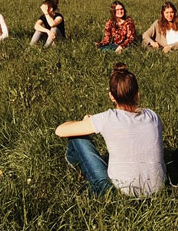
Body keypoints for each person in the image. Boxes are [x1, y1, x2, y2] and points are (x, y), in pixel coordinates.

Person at [55, 62, 166, 196]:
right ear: (137, 94)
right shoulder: (152, 116)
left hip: (117, 193)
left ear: (111, 96)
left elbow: (60, 131)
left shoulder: (108, 118)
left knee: (77, 138)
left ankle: (74, 163)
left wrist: (84, 121)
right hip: (158, 190)